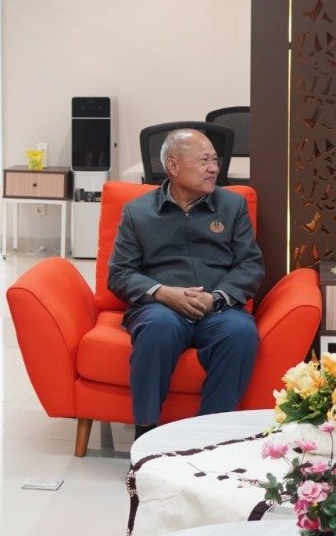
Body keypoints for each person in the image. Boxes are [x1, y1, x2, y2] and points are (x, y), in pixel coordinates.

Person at [107, 128, 264, 438]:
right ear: (173, 166)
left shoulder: (232, 206)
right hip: (160, 307)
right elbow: (120, 273)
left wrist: (216, 298)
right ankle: (146, 434)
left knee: (240, 332)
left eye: (215, 160)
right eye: (204, 161)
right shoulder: (138, 212)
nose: (213, 169)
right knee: (158, 326)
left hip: (218, 308)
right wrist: (163, 293)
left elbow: (250, 264)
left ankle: (210, 437)